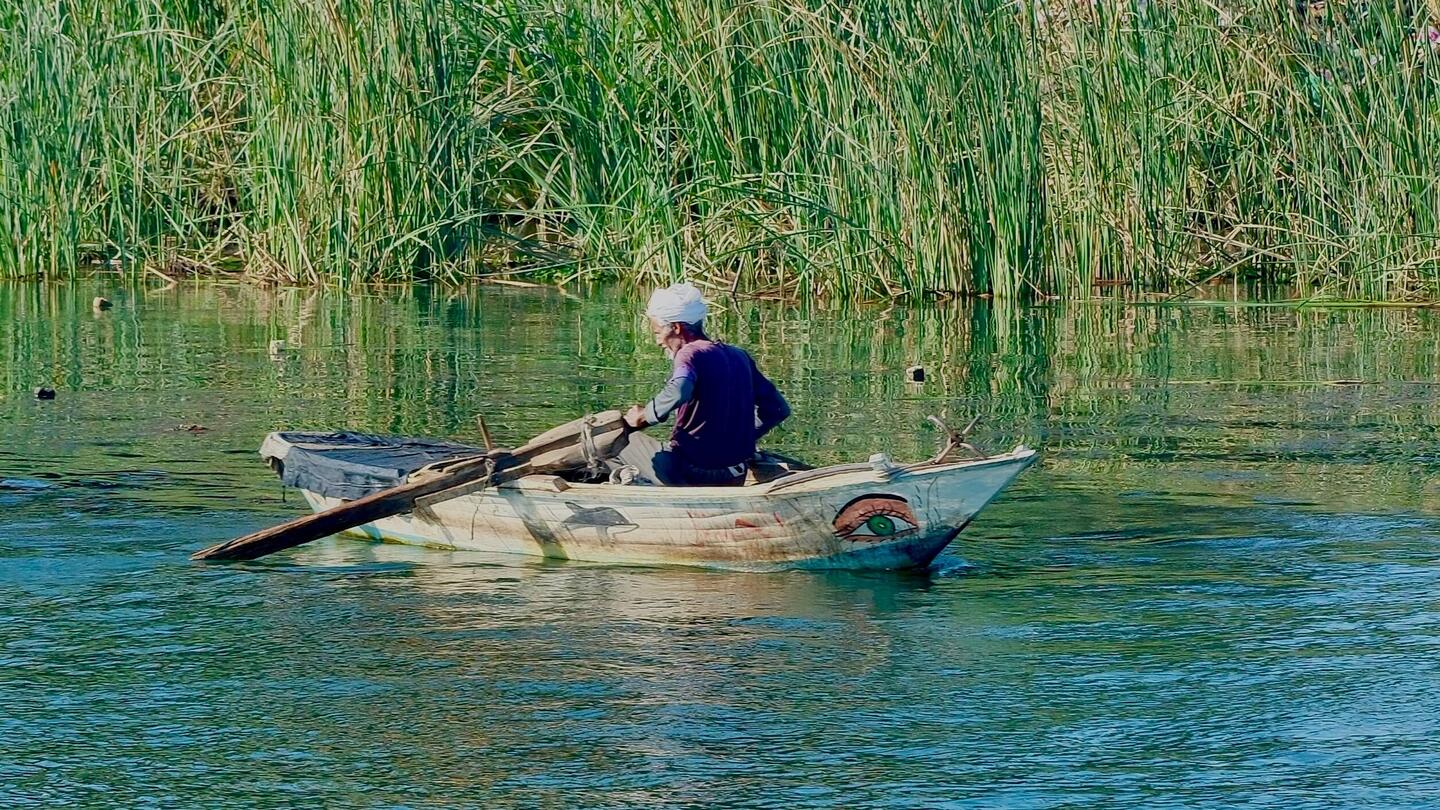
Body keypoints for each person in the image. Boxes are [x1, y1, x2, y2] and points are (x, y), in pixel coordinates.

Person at [614, 282, 790, 486]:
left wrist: (643, 417)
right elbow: (778, 409)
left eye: (657, 332)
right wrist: (743, 436)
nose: (658, 341)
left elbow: (679, 390)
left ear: (677, 327)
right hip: (735, 472)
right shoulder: (739, 356)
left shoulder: (689, 354)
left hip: (693, 472)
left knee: (619, 440)